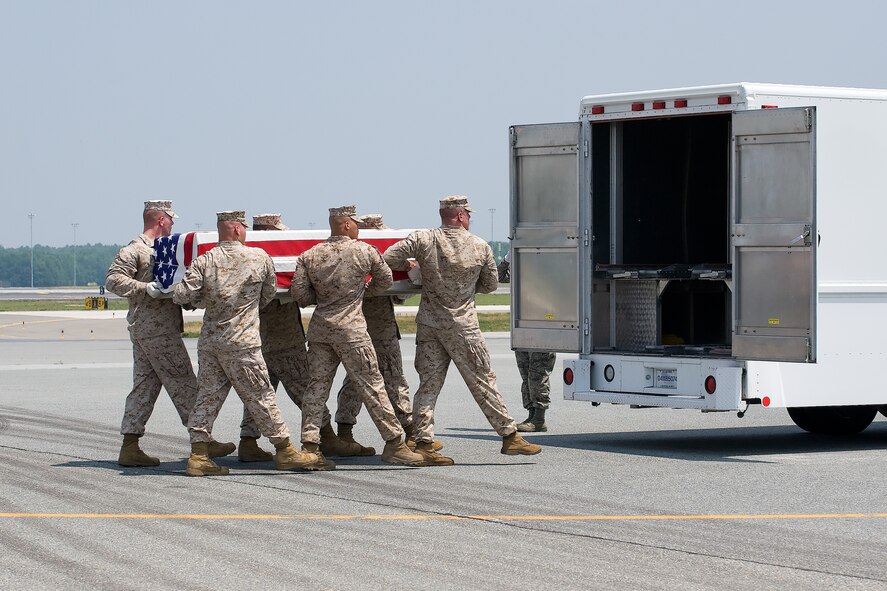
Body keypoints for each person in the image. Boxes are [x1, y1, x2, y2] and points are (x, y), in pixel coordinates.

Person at [384, 195, 542, 465]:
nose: (469, 218)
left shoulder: (424, 238)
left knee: (428, 386)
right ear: (460, 215)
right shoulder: (479, 245)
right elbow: (491, 284)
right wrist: (466, 287)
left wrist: (414, 267)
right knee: (482, 382)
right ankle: (509, 436)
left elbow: (389, 257)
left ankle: (423, 442)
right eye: (468, 214)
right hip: (463, 327)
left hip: (430, 323)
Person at [170, 210, 328, 476]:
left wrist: (206, 302)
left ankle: (198, 455)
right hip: (243, 342)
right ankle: (285, 450)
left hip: (211, 342)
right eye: (242, 227)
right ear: (236, 229)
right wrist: (245, 308)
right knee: (262, 396)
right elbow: (269, 293)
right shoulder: (258, 257)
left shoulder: (205, 259)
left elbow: (182, 295)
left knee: (207, 397)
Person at [291, 205, 424, 467]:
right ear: (348, 225)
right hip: (352, 330)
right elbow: (385, 281)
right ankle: (395, 444)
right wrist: (359, 295)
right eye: (356, 224)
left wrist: (324, 297)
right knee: (373, 386)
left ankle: (310, 447)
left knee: (316, 389)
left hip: (320, 330)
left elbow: (300, 295)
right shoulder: (365, 251)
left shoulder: (309, 255)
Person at [106, 200, 234, 467]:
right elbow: (113, 280)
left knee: (144, 388)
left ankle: (130, 446)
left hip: (153, 329)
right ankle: (203, 441)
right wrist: (145, 288)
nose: (173, 224)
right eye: (171, 219)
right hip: (155, 331)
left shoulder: (164, 250)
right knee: (184, 382)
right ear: (161, 220)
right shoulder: (135, 250)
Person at [237, 214, 358, 462]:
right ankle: (326, 436)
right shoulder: (261, 257)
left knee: (259, 393)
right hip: (283, 339)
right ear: (268, 232)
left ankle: (248, 441)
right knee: (306, 390)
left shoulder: (250, 257)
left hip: (260, 338)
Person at [333, 214, 414, 455]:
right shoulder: (368, 254)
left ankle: (344, 432)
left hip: (355, 328)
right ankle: (411, 433)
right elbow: (399, 294)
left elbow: (398, 295)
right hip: (377, 329)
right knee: (394, 380)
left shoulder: (350, 255)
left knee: (355, 380)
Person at [497, 250, 556, 432]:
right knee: (525, 372)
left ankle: (539, 418)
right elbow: (499, 277)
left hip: (543, 326)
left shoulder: (550, 271)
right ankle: (531, 413)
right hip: (522, 327)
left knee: (537, 373)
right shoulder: (519, 271)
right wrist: (507, 260)